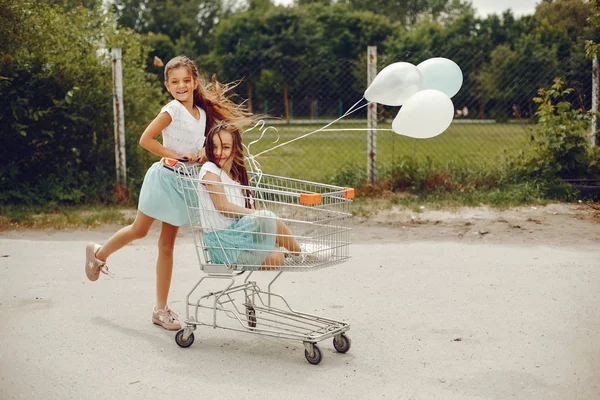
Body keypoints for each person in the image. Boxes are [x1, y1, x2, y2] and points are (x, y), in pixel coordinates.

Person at [84, 55, 252, 331]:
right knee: (139, 230)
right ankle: (99, 253)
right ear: (167, 85)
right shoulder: (171, 110)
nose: (181, 86)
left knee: (166, 246)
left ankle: (159, 310)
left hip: (184, 186)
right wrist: (175, 155)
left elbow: (206, 145)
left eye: (186, 81)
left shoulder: (202, 113)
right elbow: (145, 140)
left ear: (195, 82)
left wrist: (201, 154)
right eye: (175, 82)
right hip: (163, 180)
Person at [198, 121, 302, 269]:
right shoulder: (210, 170)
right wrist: (257, 214)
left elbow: (249, 214)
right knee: (267, 217)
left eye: (225, 147)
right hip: (223, 244)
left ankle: (290, 250)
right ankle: (300, 254)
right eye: (214, 147)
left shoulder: (238, 177)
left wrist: (258, 216)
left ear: (235, 149)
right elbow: (223, 207)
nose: (218, 152)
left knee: (276, 256)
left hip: (240, 238)